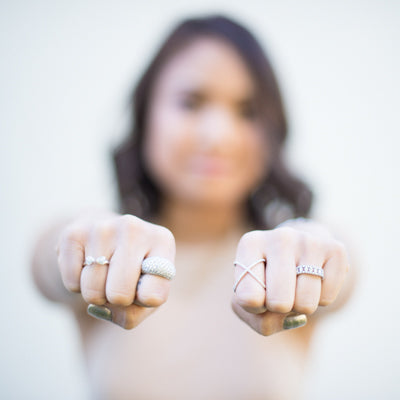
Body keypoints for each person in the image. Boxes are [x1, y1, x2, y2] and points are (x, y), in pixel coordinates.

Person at [31, 14, 355, 400]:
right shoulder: (98, 248)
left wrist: (316, 247)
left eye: (247, 111)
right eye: (191, 102)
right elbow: (51, 261)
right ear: (146, 113)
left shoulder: (292, 259)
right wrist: (81, 242)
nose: (217, 136)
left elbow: (344, 270)